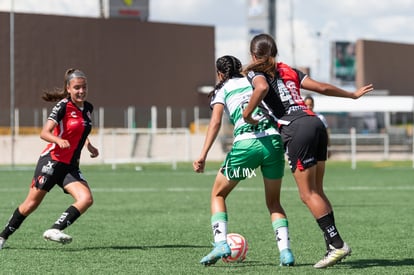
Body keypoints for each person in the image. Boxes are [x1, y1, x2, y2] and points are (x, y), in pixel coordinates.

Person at [242, 33, 374, 268]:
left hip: (296, 129)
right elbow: (321, 87)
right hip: (316, 124)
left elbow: (261, 87)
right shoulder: (288, 69)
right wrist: (351, 95)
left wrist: (246, 114)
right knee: (317, 192)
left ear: (254, 55)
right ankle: (331, 246)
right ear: (275, 51)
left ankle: (337, 244)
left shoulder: (256, 72)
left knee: (307, 194)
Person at [193, 55, 294, 266]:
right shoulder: (254, 79)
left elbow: (215, 123)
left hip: (246, 146)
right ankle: (285, 252)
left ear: (220, 73)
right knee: (274, 202)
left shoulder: (222, 89)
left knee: (218, 194)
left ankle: (221, 243)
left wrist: (202, 155)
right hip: (273, 144)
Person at [0, 68, 99, 250]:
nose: (81, 91)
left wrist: (89, 145)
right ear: (68, 88)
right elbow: (44, 133)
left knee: (86, 199)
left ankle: (54, 230)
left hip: (69, 167)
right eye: (77, 87)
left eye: (84, 87)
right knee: (30, 204)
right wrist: (58, 140)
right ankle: (2, 236)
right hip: (51, 162)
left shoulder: (88, 108)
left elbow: (79, 131)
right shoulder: (63, 106)